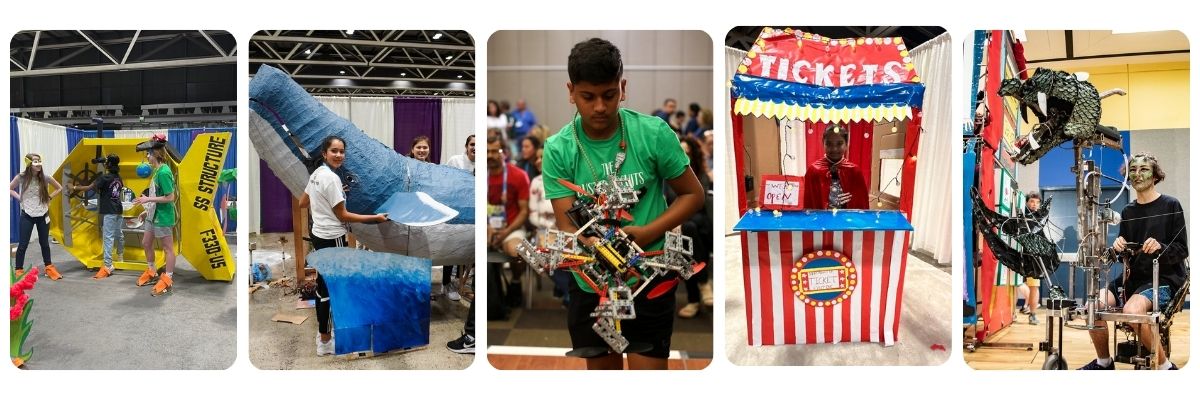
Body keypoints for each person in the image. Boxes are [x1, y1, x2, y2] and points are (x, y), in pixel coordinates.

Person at [543, 38, 704, 370]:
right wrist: (588, 242)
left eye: (609, 95)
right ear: (571, 91)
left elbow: (693, 194)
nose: (600, 107)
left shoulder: (653, 133)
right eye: (588, 97)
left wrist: (646, 232)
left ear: (623, 87)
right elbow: (567, 224)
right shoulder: (558, 148)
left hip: (649, 278)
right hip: (591, 284)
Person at [1079, 153, 1185, 370]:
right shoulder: (1129, 211)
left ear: (1155, 175)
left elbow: (1182, 249)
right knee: (1093, 305)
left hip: (1164, 278)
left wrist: (1160, 247)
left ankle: (1166, 367)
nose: (1137, 174)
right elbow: (1125, 254)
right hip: (1132, 278)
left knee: (1133, 312)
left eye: (1143, 169)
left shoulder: (1171, 205)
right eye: (1133, 170)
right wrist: (1117, 247)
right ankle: (1104, 363)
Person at [299, 135, 389, 356]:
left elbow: (303, 203)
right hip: (333, 237)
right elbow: (344, 215)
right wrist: (375, 218)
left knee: (323, 284)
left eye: (341, 151)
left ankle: (324, 334)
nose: (338, 155)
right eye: (334, 151)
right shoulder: (331, 179)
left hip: (319, 235)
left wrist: (333, 197)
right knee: (332, 289)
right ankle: (326, 340)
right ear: (324, 153)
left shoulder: (317, 174)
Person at [486, 134, 530, 307]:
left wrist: (506, 231)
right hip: (487, 226)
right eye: (487, 151)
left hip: (511, 227)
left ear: (503, 152)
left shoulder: (518, 175)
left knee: (518, 251)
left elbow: (524, 211)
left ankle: (516, 282)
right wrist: (488, 228)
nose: (489, 155)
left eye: (494, 151)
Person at [674, 136, 714, 318]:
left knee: (688, 231)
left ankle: (694, 300)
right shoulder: (667, 173)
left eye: (686, 152)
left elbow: (699, 202)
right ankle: (704, 284)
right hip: (676, 223)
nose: (683, 155)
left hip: (698, 221)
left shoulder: (700, 175)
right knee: (686, 235)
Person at [133, 140, 178, 296]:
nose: (147, 157)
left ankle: (168, 279)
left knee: (168, 249)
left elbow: (170, 197)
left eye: (148, 153)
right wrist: (146, 211)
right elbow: (157, 195)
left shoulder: (164, 172)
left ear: (155, 154)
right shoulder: (157, 171)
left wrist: (147, 200)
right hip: (153, 215)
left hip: (164, 217)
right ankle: (152, 271)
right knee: (146, 243)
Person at [72, 154, 125, 280]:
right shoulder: (119, 177)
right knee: (119, 234)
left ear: (108, 165)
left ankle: (108, 265)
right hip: (118, 209)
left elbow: (89, 188)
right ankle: (120, 256)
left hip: (109, 211)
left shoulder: (104, 178)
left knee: (108, 237)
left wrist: (74, 187)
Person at [10, 153, 62, 279]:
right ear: (29, 163)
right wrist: (20, 199)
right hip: (27, 214)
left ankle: (49, 267)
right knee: (23, 244)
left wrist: (49, 197)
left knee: (44, 243)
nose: (38, 164)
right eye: (35, 161)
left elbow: (59, 188)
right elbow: (10, 188)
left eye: (39, 161)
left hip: (43, 214)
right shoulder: (21, 177)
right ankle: (19, 269)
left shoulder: (46, 177)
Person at [441, 134, 477, 301]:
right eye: (472, 144)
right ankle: (446, 283)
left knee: (468, 251)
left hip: (473, 213)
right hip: (455, 209)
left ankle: (463, 283)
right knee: (451, 248)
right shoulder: (455, 160)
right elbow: (444, 180)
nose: (475, 147)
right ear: (466, 146)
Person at [804, 124, 868, 209]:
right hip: (821, 221)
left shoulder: (854, 171)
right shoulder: (814, 170)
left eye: (839, 144)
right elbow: (809, 203)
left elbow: (861, 205)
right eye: (829, 144)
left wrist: (851, 200)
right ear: (823, 143)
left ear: (846, 144)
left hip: (847, 220)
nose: (834, 149)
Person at [1020, 192, 1043, 325]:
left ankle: (1033, 314)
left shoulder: (1040, 218)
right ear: (1027, 202)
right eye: (1032, 201)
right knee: (1014, 283)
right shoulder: (1021, 216)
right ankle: (1013, 312)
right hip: (1019, 254)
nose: (1034, 204)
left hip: (1033, 257)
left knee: (1034, 285)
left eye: (1037, 202)